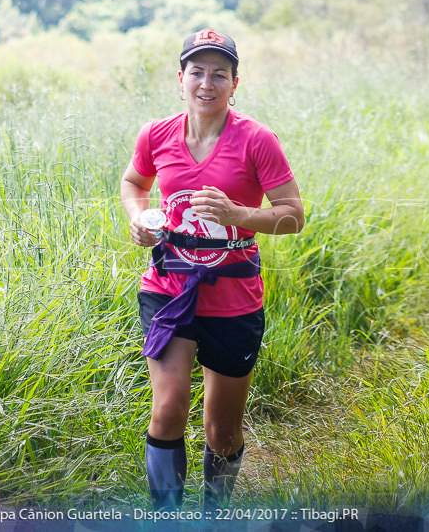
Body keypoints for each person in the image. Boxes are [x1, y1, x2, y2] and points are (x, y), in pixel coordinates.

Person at [119, 28, 305, 512]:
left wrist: (240, 215)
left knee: (221, 430)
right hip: (169, 287)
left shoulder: (257, 140)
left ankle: (214, 516)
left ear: (235, 83)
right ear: (180, 79)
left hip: (234, 296)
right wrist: (139, 218)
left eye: (219, 74)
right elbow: (134, 182)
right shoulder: (156, 134)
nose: (207, 83)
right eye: (197, 72)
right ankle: (167, 519)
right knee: (167, 408)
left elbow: (293, 215)